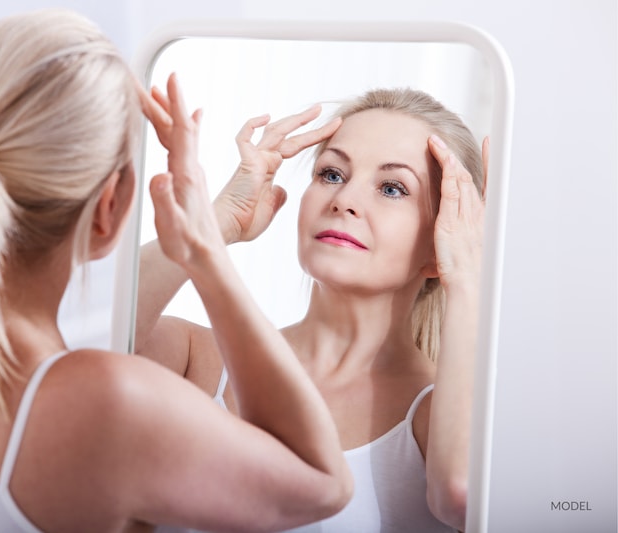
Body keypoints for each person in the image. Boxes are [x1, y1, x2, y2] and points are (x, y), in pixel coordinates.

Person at [0, 9, 354, 532]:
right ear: (112, 208)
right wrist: (204, 250)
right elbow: (321, 484)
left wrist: (217, 223)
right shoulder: (106, 407)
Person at [136, 87, 487, 532]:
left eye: (392, 188)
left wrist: (470, 277)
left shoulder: (436, 417)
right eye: (332, 174)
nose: (343, 200)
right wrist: (212, 224)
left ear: (442, 241)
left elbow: (461, 496)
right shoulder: (197, 358)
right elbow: (76, 354)